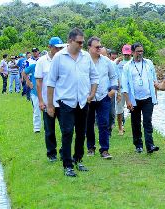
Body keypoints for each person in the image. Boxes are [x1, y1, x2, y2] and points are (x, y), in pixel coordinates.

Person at [47, 28, 99, 177]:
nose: (82, 45)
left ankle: (78, 159)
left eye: (83, 42)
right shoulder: (59, 57)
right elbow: (51, 82)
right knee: (67, 132)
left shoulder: (86, 57)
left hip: (83, 102)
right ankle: (67, 164)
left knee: (81, 133)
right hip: (66, 102)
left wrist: (92, 94)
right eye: (79, 42)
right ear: (70, 41)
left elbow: (94, 77)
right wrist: (50, 105)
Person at [122, 42, 159, 154]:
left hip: (148, 97)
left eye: (141, 51)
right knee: (136, 122)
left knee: (147, 121)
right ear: (132, 52)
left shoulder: (148, 63)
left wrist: (155, 96)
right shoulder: (127, 66)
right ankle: (138, 144)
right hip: (134, 99)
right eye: (138, 51)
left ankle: (150, 145)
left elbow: (154, 80)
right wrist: (128, 100)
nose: (140, 53)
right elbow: (125, 85)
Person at [35, 37, 66, 162]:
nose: (58, 50)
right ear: (49, 47)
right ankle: (51, 153)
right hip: (49, 102)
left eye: (60, 48)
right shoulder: (42, 61)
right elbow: (38, 82)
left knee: (66, 129)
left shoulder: (64, 60)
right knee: (49, 130)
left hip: (63, 101)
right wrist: (41, 101)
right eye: (56, 48)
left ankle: (65, 152)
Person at [86, 37, 118, 159]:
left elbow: (113, 76)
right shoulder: (84, 61)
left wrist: (113, 90)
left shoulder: (106, 61)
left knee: (104, 122)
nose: (99, 48)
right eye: (97, 47)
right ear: (89, 47)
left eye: (100, 46)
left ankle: (104, 149)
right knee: (88, 124)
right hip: (88, 98)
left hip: (104, 96)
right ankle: (90, 147)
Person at [115, 44, 131, 135]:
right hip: (120, 89)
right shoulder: (118, 62)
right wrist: (118, 90)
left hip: (130, 89)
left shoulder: (133, 62)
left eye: (128, 54)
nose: (126, 56)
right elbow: (115, 75)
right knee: (119, 109)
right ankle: (120, 128)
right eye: (125, 54)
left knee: (133, 107)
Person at [22, 57, 41, 133]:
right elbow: (24, 72)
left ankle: (48, 128)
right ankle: (37, 128)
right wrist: (29, 83)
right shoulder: (34, 66)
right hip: (35, 92)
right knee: (36, 110)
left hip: (46, 92)